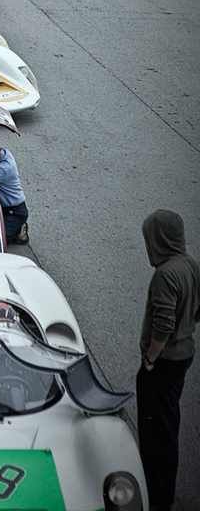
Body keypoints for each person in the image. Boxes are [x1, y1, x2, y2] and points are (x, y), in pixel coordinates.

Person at [137, 210, 200, 511]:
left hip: (163, 363)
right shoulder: (190, 265)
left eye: (150, 239)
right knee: (168, 424)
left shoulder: (165, 275)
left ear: (159, 239)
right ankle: (166, 490)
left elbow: (163, 325)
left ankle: (155, 495)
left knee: (154, 432)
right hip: (184, 354)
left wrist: (150, 358)